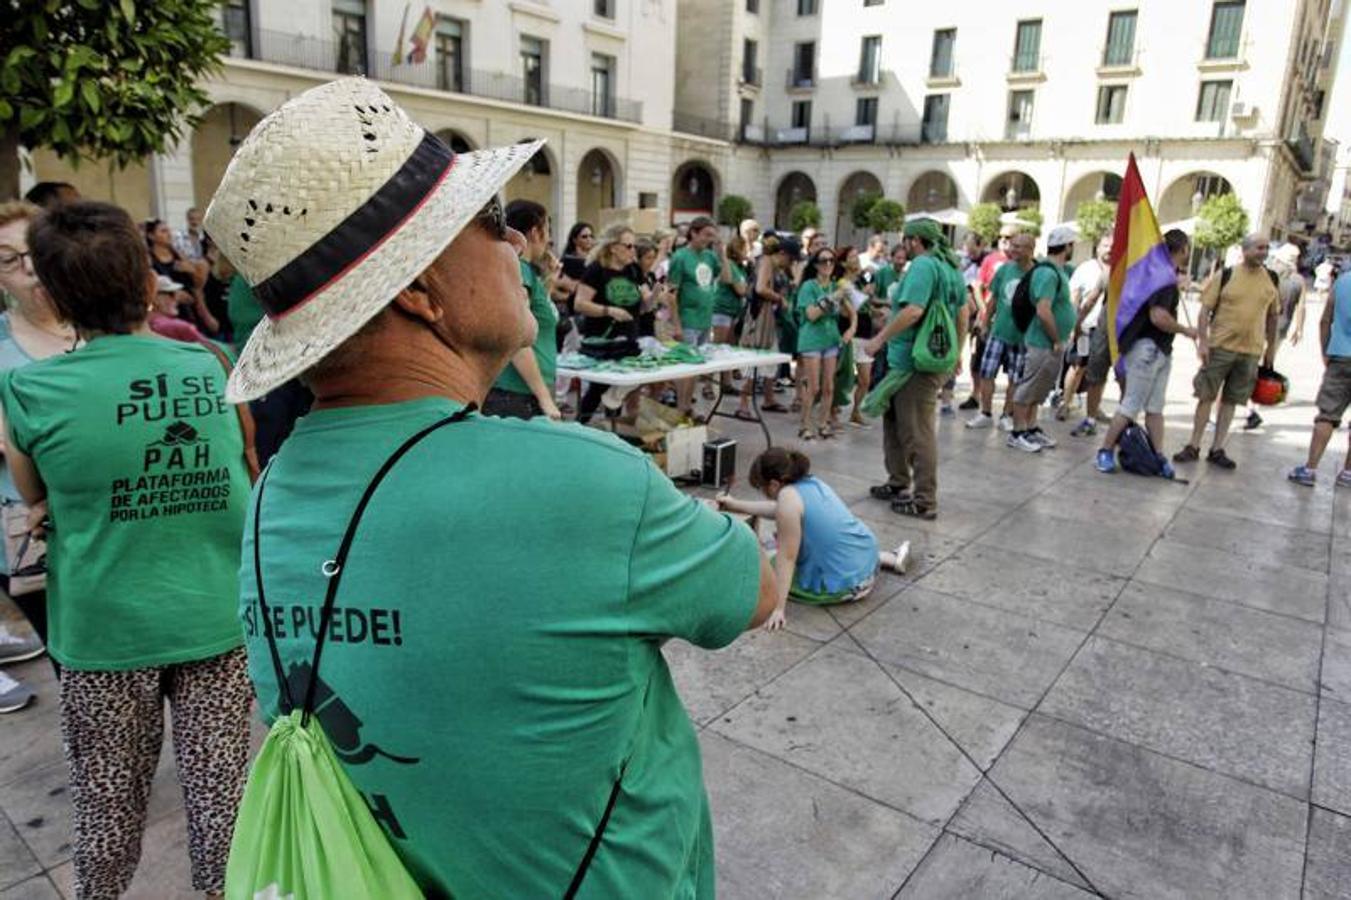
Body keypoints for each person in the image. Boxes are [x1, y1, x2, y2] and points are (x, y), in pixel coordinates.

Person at [208, 77, 775, 897]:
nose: (517, 249)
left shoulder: (274, 492)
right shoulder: (577, 479)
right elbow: (752, 594)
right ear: (417, 290)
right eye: (492, 224)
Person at [1, 201, 252, 897]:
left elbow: (33, 494)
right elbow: (242, 464)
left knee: (107, 807)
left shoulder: (29, 387)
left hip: (105, 631)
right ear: (146, 283)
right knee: (221, 803)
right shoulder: (209, 363)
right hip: (213, 619)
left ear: (52, 291)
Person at [0, 200, 77, 711]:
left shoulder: (100, 325)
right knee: (72, 665)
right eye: (9, 259)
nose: (28, 267)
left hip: (117, 524)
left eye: (35, 251)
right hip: (33, 527)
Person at [716, 448, 909, 630]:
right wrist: (736, 505)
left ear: (774, 484)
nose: (763, 492)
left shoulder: (788, 500)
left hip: (846, 587)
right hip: (867, 563)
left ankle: (878, 562)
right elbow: (778, 510)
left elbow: (788, 556)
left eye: (761, 487)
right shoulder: (811, 483)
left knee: (765, 561)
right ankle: (890, 558)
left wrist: (777, 607)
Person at [864, 219, 965, 520]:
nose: (903, 245)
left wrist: (879, 338)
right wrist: (956, 351)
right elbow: (964, 312)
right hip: (918, 360)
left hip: (915, 363)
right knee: (894, 423)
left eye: (906, 240)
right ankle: (897, 482)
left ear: (915, 241)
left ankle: (923, 500)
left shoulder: (923, 265)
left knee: (917, 432)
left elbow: (913, 310)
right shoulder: (951, 268)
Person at [1173, 233, 1280, 470]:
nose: (1264, 252)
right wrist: (1203, 341)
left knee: (1232, 400)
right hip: (1220, 347)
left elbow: (1273, 316)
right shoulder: (1226, 275)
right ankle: (1193, 444)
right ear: (1246, 250)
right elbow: (1204, 312)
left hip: (1250, 351)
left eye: (1266, 248)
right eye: (1259, 248)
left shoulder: (1271, 279)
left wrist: (1270, 349)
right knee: (1205, 396)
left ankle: (1217, 447)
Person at [1097, 229, 1197, 474]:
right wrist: (1185, 330)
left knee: (1155, 407)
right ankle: (1105, 451)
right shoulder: (1163, 279)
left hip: (1159, 349)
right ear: (1183, 249)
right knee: (1131, 404)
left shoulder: (1161, 275)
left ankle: (1158, 456)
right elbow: (1158, 316)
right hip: (1148, 348)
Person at [484, 199, 561, 421]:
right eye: (547, 229)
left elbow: (533, 315)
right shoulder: (521, 269)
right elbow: (517, 335)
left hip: (518, 392)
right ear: (536, 231)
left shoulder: (522, 271)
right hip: (520, 394)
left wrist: (548, 283)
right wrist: (545, 398)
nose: (549, 239)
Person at [1006, 226, 1077, 452]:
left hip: (1050, 343)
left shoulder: (1058, 271)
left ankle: (1031, 427)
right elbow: (1043, 310)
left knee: (1039, 388)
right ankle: (1017, 432)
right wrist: (1056, 339)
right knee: (1028, 387)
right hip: (1041, 341)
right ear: (1067, 246)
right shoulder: (1047, 273)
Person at [573, 224, 647, 423]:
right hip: (601, 340)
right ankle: (580, 426)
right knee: (598, 388)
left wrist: (657, 296)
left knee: (617, 390)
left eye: (635, 247)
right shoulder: (596, 270)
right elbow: (579, 304)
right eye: (629, 246)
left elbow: (643, 306)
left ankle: (611, 429)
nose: (633, 251)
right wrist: (608, 310)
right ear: (613, 247)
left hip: (628, 339)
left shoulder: (633, 270)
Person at [1290, 265, 1351, 487]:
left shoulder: (1343, 282)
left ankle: (1310, 468)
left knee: (1327, 414)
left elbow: (1325, 320)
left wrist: (1325, 351)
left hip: (1341, 357)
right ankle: (1348, 473)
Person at [968, 232, 1035, 430]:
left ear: (1030, 249)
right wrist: (985, 322)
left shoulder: (1036, 274)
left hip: (1023, 335)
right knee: (987, 372)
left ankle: (1007, 414)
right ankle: (986, 412)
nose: (1012, 250)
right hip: (998, 331)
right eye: (1012, 245)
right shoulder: (1005, 269)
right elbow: (994, 300)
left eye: (1018, 246)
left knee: (1015, 377)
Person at [795, 247, 855, 440]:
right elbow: (811, 314)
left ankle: (823, 423)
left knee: (829, 386)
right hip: (811, 339)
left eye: (831, 260)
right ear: (815, 264)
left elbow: (851, 312)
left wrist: (851, 328)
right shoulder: (809, 287)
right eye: (823, 261)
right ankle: (804, 425)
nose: (828, 264)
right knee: (813, 386)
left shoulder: (836, 286)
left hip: (831, 339)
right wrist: (834, 297)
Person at [668, 217, 726, 415]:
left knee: (696, 369)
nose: (709, 240)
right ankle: (681, 407)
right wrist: (676, 325)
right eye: (706, 235)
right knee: (686, 368)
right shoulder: (680, 257)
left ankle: (686, 407)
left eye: (712, 236)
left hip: (705, 319)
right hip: (688, 318)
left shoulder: (709, 256)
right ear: (693, 233)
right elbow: (671, 293)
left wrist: (722, 253)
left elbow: (726, 277)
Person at [735, 233, 797, 419]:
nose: (791, 264)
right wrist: (779, 298)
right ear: (784, 254)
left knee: (771, 358)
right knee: (755, 357)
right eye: (791, 260)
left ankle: (768, 398)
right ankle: (744, 403)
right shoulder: (767, 261)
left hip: (768, 317)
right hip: (759, 317)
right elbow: (760, 288)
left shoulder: (774, 265)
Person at [1064, 236, 1112, 433]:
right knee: (1078, 366)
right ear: (1097, 247)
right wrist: (1074, 323)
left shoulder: (1116, 270)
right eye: (1105, 245)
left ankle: (1094, 408)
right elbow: (1076, 297)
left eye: (1112, 246)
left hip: (1104, 331)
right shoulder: (1086, 268)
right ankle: (1065, 403)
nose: (1109, 249)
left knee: (1100, 372)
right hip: (1085, 328)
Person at [144, 218, 218, 335]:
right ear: (151, 236)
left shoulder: (178, 255)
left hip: (189, 310)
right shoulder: (149, 261)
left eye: (169, 230)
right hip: (165, 313)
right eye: (163, 231)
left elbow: (198, 285)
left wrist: (193, 270)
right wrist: (173, 294)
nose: (169, 234)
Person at [832, 245, 875, 427]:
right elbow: (843, 310)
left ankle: (856, 412)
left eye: (857, 255)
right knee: (840, 374)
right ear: (843, 261)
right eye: (852, 256)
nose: (856, 259)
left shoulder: (862, 278)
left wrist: (876, 307)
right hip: (848, 331)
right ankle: (832, 411)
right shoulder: (840, 282)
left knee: (865, 379)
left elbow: (868, 300)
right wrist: (861, 297)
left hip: (865, 331)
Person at [711, 236, 750, 393]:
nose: (748, 252)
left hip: (732, 312)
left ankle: (726, 383)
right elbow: (741, 289)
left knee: (726, 348)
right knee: (718, 347)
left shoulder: (740, 268)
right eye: (745, 249)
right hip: (722, 311)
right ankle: (709, 384)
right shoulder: (731, 266)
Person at [148, 274, 211, 343]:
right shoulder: (182, 328)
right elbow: (213, 350)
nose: (176, 299)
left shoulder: (140, 325)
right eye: (172, 294)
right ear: (155, 299)